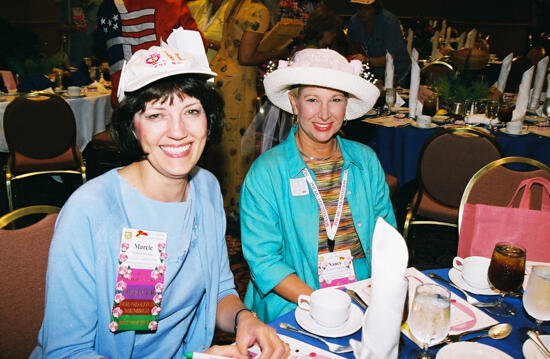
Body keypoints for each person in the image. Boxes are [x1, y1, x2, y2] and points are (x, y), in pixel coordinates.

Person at [31, 35, 288, 359]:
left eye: (191, 111)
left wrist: (243, 318)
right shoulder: (91, 212)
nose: (178, 131)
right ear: (133, 127)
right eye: (156, 115)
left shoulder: (207, 189)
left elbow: (222, 288)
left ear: (209, 119)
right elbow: (66, 353)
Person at [240, 48, 396, 322]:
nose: (324, 114)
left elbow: (387, 240)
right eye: (312, 99)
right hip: (292, 299)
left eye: (335, 99)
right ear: (294, 101)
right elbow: (264, 262)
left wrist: (377, 299)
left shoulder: (366, 161)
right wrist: (321, 304)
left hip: (361, 293)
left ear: (346, 104)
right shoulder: (266, 173)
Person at [208, 0, 289, 218]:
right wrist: (276, 51)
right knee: (238, 150)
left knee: (223, 147)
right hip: (238, 81)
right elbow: (246, 57)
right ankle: (234, 210)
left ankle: (221, 204)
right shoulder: (258, 10)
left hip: (220, 73)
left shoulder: (234, 4)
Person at [97, 0, 204, 106]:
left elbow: (103, 49)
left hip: (123, 94)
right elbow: (196, 47)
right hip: (166, 94)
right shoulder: (173, 4)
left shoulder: (107, 6)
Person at [346, 0, 411, 87]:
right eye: (359, 8)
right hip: (370, 74)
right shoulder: (354, 21)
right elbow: (352, 46)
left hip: (397, 74)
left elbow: (390, 58)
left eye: (366, 9)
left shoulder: (389, 22)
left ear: (376, 9)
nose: (362, 12)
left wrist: (366, 60)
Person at [57, 0, 103, 67]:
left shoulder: (100, 3)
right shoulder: (68, 3)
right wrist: (73, 28)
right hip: (74, 53)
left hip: (95, 53)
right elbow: (59, 25)